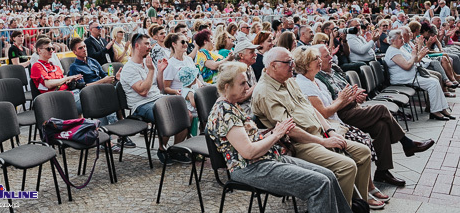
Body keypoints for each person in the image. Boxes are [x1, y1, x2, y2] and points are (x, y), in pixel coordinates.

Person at [206, 62, 351, 213]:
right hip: (250, 167)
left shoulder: (231, 105)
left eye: (247, 82)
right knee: (320, 184)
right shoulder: (225, 112)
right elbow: (248, 152)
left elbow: (248, 139)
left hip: (265, 158)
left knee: (328, 175)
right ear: (227, 87)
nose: (248, 87)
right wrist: (276, 134)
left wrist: (272, 133)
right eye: (242, 83)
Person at [252, 47, 372, 206]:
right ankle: (344, 208)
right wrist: (323, 141)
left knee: (363, 152)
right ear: (273, 66)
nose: (293, 65)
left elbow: (312, 109)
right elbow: (290, 130)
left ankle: (358, 205)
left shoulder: (288, 80)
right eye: (288, 62)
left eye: (292, 61)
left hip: (320, 134)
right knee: (346, 166)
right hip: (300, 144)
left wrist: (329, 131)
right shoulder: (265, 92)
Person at [314, 44, 435, 188]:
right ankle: (407, 143)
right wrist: (351, 98)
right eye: (326, 56)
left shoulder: (335, 70)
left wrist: (357, 94)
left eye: (330, 54)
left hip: (354, 107)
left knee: (381, 126)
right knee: (381, 109)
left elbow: (349, 90)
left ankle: (382, 171)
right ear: (317, 61)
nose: (331, 57)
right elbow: (330, 104)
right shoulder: (318, 78)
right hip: (341, 115)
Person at [120, 34, 190, 165]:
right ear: (137, 46)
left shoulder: (147, 63)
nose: (149, 47)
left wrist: (160, 71)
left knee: (187, 114)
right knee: (167, 115)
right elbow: (143, 91)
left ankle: (175, 149)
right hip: (141, 105)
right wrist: (152, 70)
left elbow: (160, 88)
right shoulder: (129, 68)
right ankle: (162, 149)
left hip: (157, 98)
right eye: (146, 44)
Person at [384, 30, 452, 120]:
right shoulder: (393, 51)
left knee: (435, 81)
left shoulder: (400, 49)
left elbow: (414, 61)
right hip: (403, 79)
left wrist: (418, 54)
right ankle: (434, 111)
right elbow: (407, 66)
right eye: (400, 38)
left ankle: (442, 109)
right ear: (393, 40)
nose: (403, 39)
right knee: (433, 83)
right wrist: (414, 55)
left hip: (410, 77)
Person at [30, 38, 84, 113]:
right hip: (55, 99)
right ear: (39, 51)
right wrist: (66, 78)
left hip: (68, 94)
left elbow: (61, 81)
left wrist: (70, 80)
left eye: (53, 48)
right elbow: (49, 84)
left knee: (92, 95)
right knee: (92, 102)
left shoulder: (55, 67)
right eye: (48, 49)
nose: (52, 51)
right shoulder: (37, 66)